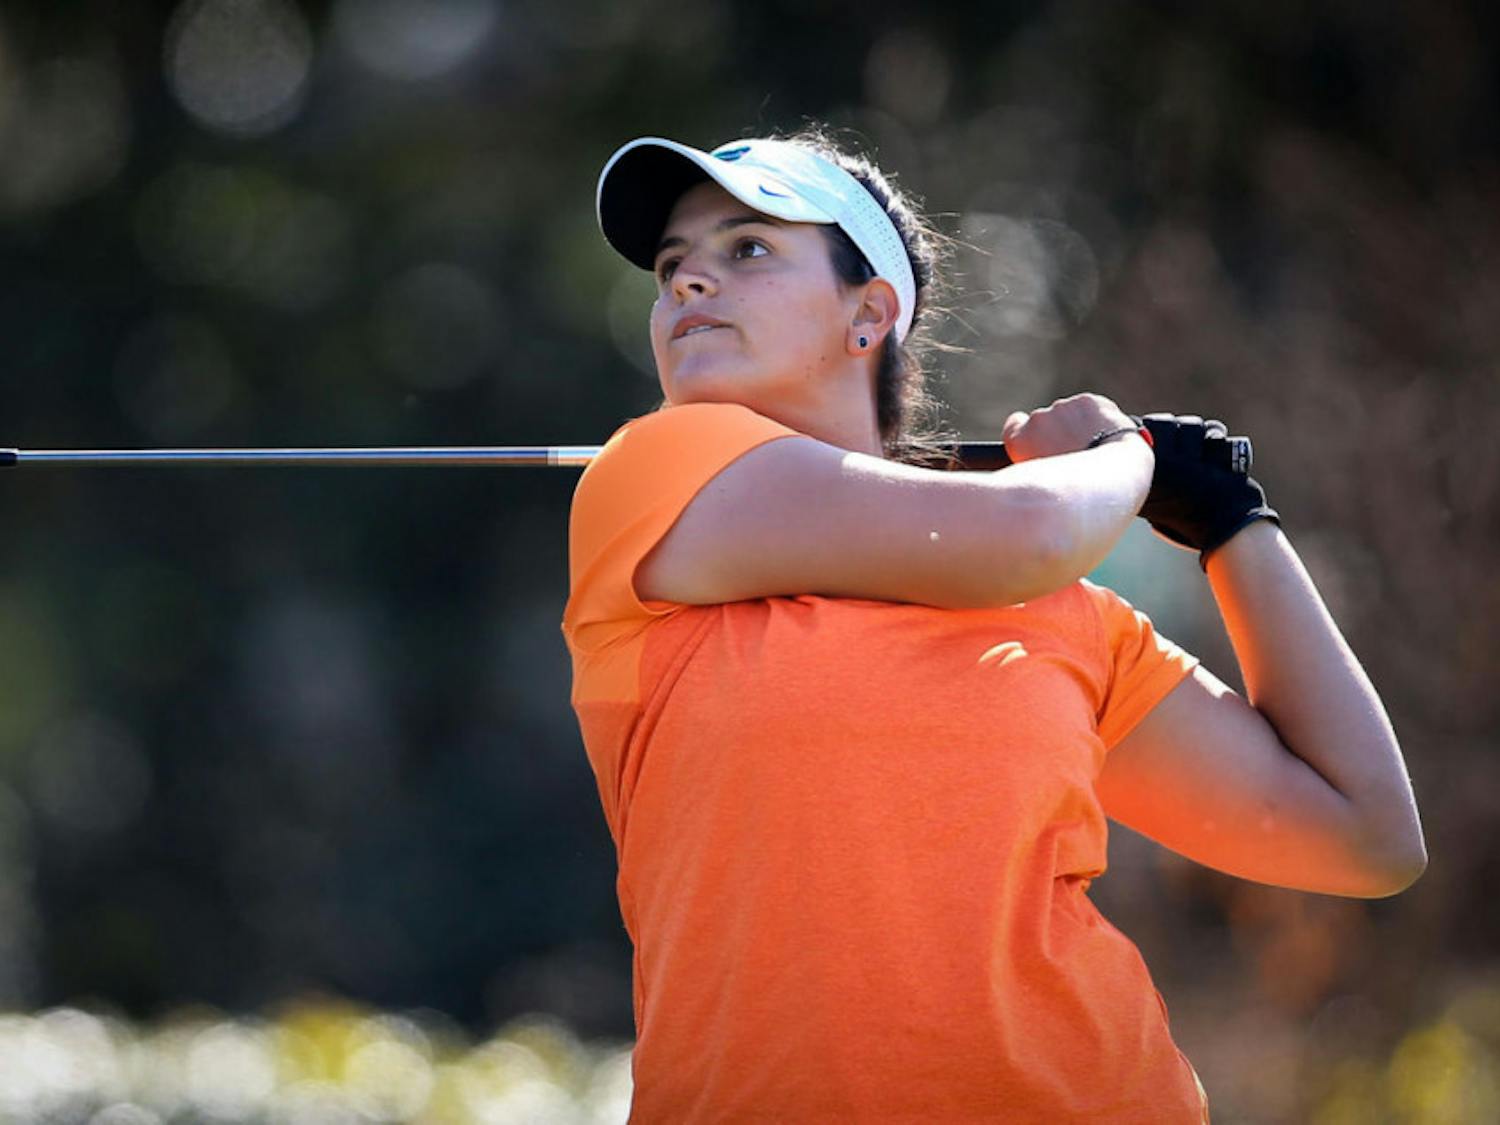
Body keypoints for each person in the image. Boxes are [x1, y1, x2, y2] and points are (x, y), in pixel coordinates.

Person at [560, 129, 1426, 1123]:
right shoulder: (655, 475)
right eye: (674, 269)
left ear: (869, 314)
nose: (688, 288)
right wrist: (1122, 453)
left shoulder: (1064, 616)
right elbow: (1029, 528)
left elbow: (1365, 836)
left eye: (745, 249)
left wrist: (1235, 523)